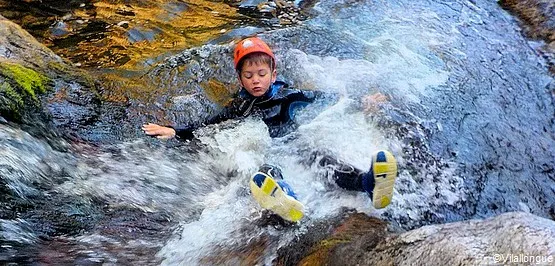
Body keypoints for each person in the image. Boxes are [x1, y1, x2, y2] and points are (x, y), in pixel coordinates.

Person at [143, 37, 398, 220]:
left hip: (296, 145)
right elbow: (208, 127)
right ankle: (284, 200)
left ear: (273, 74)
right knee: (262, 169)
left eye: (261, 73)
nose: (256, 80)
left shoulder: (290, 95)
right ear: (240, 78)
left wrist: (362, 102)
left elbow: (329, 100)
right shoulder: (240, 107)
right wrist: (175, 131)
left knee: (323, 159)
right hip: (268, 152)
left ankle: (368, 182)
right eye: (249, 75)